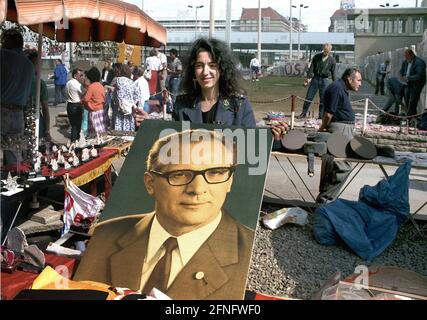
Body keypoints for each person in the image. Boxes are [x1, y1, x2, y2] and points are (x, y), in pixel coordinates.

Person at [73, 129, 255, 299]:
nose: (198, 189)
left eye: (215, 173)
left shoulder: (244, 247)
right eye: (180, 175)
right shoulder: (106, 234)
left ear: (230, 181)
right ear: (150, 183)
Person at [134, 38, 286, 142]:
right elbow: (171, 141)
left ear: (222, 69)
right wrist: (149, 125)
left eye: (212, 65)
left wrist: (275, 137)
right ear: (193, 70)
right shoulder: (182, 104)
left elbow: (253, 145)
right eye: (199, 66)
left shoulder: (239, 104)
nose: (206, 72)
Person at [317, 67, 363, 204]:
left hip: (344, 130)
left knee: (337, 166)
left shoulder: (340, 88)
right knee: (342, 166)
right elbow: (328, 114)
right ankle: (325, 200)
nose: (360, 83)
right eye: (359, 80)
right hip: (339, 130)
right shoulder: (336, 88)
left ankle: (327, 199)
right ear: (349, 79)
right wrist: (322, 129)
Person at [1, 28, 35, 165]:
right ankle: (14, 180)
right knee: (13, 152)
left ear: (8, 42)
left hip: (2, 110)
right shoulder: (29, 65)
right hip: (18, 114)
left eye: (3, 40)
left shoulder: (3, 55)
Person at [298, 43, 336, 119]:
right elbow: (311, 68)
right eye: (325, 50)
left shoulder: (332, 60)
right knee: (309, 96)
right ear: (323, 49)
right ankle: (304, 113)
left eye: (328, 51)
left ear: (330, 51)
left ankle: (321, 115)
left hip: (325, 80)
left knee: (323, 98)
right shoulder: (316, 57)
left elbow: (333, 73)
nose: (326, 52)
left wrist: (335, 83)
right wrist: (308, 79)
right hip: (315, 79)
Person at [25, 49, 51, 143]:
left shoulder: (16, 80)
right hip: (35, 118)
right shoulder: (40, 83)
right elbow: (45, 108)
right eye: (37, 64)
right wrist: (47, 130)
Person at [111, 63, 140, 131]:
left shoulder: (118, 80)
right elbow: (137, 96)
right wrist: (131, 103)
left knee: (120, 128)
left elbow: (118, 95)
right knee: (129, 129)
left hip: (120, 109)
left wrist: (119, 103)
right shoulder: (131, 82)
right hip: (130, 109)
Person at [399, 49, 426, 118]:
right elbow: (401, 71)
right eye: (405, 56)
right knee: (407, 100)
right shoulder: (405, 62)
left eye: (407, 56)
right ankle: (412, 116)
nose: (406, 58)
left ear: (412, 55)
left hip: (416, 84)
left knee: (412, 101)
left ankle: (410, 117)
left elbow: (420, 75)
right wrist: (402, 76)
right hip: (407, 83)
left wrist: (408, 78)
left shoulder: (419, 62)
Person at [82, 67, 107, 135]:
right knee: (102, 129)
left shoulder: (91, 86)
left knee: (94, 132)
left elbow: (86, 99)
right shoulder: (101, 85)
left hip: (94, 111)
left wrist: (88, 106)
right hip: (101, 110)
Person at [65, 68, 85, 141]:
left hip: (69, 105)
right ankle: (75, 140)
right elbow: (85, 92)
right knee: (77, 125)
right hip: (76, 105)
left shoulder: (68, 83)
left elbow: (65, 93)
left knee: (73, 124)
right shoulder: (77, 84)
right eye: (80, 75)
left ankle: (74, 139)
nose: (82, 77)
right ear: (75, 75)